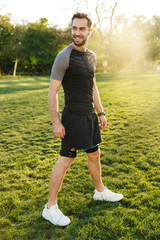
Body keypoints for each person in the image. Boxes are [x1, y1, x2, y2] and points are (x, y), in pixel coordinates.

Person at [42, 13, 123, 227]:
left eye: (82, 29)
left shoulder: (92, 56)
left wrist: (101, 112)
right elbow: (53, 92)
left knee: (94, 154)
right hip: (73, 118)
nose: (77, 32)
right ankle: (50, 208)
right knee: (66, 160)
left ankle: (100, 192)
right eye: (74, 28)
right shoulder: (64, 56)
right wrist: (56, 122)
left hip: (89, 116)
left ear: (90, 31)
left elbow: (92, 86)